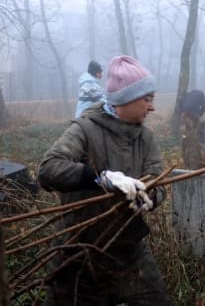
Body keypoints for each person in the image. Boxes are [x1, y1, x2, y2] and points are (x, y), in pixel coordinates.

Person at [38, 55, 171, 305]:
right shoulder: (85, 129)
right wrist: (100, 179)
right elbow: (48, 169)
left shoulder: (146, 139)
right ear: (125, 99)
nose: (152, 107)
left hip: (128, 250)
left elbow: (157, 181)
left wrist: (149, 197)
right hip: (78, 250)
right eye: (147, 99)